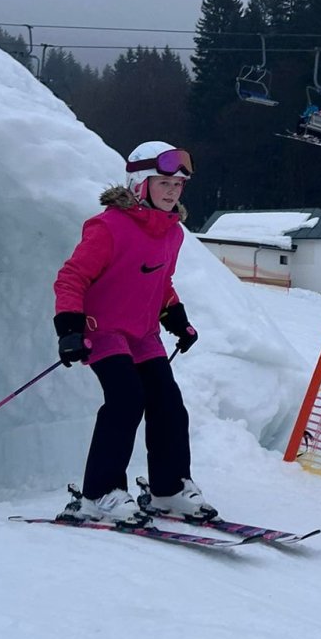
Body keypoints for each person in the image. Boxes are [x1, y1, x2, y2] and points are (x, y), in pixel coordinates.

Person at [52, 141, 215, 525]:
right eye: (164, 183)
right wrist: (69, 329)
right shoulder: (108, 227)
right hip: (102, 331)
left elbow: (160, 282)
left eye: (178, 185)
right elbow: (72, 277)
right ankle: (99, 494)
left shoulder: (172, 233)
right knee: (126, 398)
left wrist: (176, 318)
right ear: (140, 184)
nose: (172, 192)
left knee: (168, 403)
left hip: (142, 335)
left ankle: (168, 490)